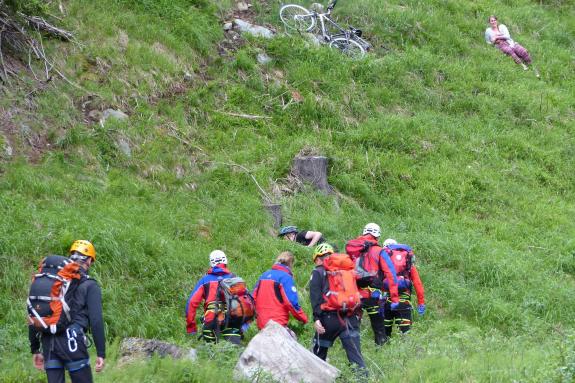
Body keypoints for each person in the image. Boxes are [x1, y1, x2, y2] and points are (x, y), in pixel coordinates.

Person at [29, 240, 105, 383]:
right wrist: (101, 353)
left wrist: (35, 349)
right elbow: (96, 320)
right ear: (89, 260)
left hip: (48, 341)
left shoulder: (54, 282)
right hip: (72, 342)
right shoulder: (90, 285)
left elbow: (36, 312)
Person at [309, 243, 367, 378]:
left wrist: (316, 319)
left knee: (318, 355)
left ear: (318, 258)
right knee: (356, 358)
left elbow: (315, 298)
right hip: (351, 317)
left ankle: (316, 379)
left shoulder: (317, 272)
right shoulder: (347, 271)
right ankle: (363, 379)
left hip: (328, 320)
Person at [347, 223, 400, 346]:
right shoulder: (379, 251)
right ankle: (381, 349)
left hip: (354, 294)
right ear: (377, 235)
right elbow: (391, 274)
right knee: (378, 327)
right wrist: (395, 297)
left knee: (353, 326)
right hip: (373, 295)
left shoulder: (353, 248)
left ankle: (353, 352)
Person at [185, 250, 243, 344]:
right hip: (231, 320)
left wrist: (191, 328)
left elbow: (191, 303)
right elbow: (244, 303)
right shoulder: (234, 278)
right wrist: (242, 326)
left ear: (211, 263)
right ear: (225, 261)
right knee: (234, 352)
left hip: (211, 318)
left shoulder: (205, 280)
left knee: (210, 352)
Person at [252, 251, 308, 331]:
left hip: (261, 322)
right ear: (290, 264)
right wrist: (304, 318)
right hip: (277, 323)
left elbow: (252, 297)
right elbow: (291, 302)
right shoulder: (285, 277)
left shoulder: (264, 275)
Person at [381, 239, 425, 339]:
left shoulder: (383, 263)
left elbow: (378, 282)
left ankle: (382, 351)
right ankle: (406, 352)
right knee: (405, 334)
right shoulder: (408, 264)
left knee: (384, 334)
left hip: (386, 303)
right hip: (404, 303)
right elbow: (418, 283)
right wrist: (421, 302)